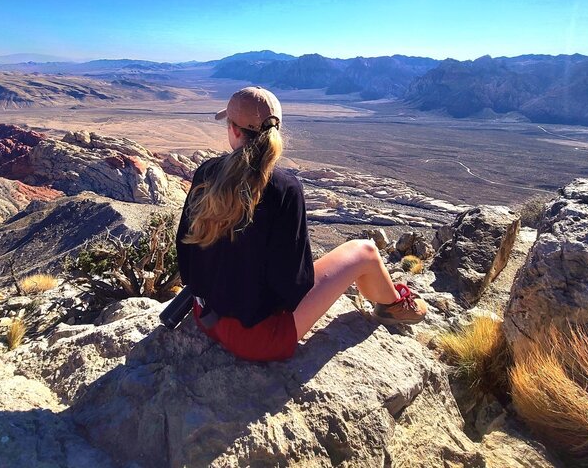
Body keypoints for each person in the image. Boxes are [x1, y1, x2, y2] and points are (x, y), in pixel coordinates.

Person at [176, 86, 427, 362]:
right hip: (258, 340)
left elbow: (186, 256)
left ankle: (388, 301)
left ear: (234, 130)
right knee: (365, 250)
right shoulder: (284, 188)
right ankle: (391, 304)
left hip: (206, 318)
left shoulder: (207, 172)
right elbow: (294, 286)